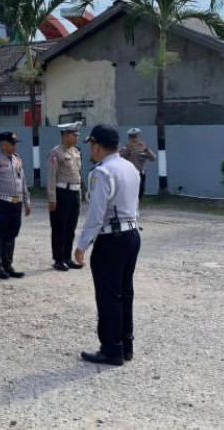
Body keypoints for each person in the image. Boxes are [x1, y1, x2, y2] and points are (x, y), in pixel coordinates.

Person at [75, 124, 141, 366]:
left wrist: (82, 245)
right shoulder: (130, 167)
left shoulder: (101, 173)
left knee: (108, 295)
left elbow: (96, 213)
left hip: (111, 238)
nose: (91, 151)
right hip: (132, 233)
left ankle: (111, 349)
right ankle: (126, 345)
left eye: (92, 146)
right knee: (125, 292)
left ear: (98, 146)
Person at [0, 132, 32, 279]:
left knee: (12, 233)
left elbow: (22, 181)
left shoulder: (18, 160)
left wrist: (27, 201)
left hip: (16, 202)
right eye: (12, 143)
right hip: (2, 202)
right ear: (3, 145)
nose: (15, 146)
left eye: (15, 143)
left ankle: (8, 264)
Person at [48, 122, 85, 272]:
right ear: (65, 135)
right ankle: (58, 259)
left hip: (74, 193)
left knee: (71, 227)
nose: (77, 138)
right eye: (74, 135)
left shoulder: (76, 152)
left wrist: (81, 194)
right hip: (61, 193)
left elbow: (78, 174)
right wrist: (52, 198)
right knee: (59, 227)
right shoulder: (56, 153)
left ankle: (67, 257)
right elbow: (51, 176)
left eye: (77, 135)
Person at [119, 128, 156, 201]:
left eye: (136, 137)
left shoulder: (143, 148)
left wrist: (146, 150)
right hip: (129, 174)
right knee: (130, 192)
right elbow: (119, 158)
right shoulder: (125, 148)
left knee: (141, 191)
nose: (134, 139)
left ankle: (136, 207)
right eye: (132, 137)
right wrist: (128, 151)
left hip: (141, 173)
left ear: (139, 137)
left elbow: (153, 158)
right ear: (129, 138)